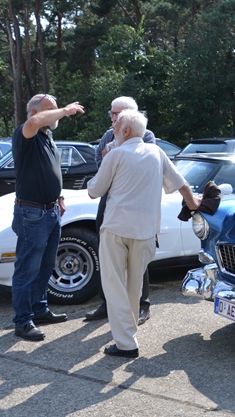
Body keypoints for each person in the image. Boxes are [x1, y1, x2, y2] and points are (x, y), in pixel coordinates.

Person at [87, 109, 200, 358]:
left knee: (114, 285)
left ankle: (126, 343)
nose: (113, 131)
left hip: (116, 229)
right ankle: (129, 335)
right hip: (146, 232)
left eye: (116, 127)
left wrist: (103, 162)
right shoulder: (157, 152)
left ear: (126, 131)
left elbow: (94, 191)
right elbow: (182, 185)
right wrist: (194, 204)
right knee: (134, 285)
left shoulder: (115, 154)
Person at [11, 93, 85, 341]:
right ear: (34, 112)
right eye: (49, 110)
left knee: (45, 265)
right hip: (32, 212)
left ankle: (39, 309)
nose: (56, 114)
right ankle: (23, 321)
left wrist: (59, 196)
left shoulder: (46, 136)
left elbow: (47, 171)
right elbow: (33, 123)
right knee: (27, 268)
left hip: (51, 210)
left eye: (56, 109)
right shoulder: (26, 133)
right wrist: (65, 110)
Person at [84, 96, 156, 325]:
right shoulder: (108, 135)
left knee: (138, 256)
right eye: (111, 113)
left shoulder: (146, 136)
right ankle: (108, 303)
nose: (112, 118)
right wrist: (108, 158)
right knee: (106, 254)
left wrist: (114, 159)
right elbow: (100, 166)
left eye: (116, 114)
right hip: (111, 199)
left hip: (136, 204)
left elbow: (143, 168)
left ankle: (142, 305)